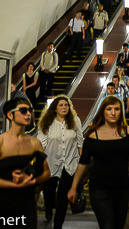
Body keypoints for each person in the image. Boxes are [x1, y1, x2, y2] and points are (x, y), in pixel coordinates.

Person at [68, 96, 129, 229]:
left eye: (117, 109)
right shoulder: (92, 136)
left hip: (121, 188)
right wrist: (73, 187)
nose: (113, 113)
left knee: (118, 225)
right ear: (103, 112)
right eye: (109, 109)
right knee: (107, 225)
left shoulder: (128, 132)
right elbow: (83, 163)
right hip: (100, 188)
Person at [0, 98, 50, 228]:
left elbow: (46, 173)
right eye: (23, 111)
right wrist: (16, 185)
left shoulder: (34, 143)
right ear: (10, 114)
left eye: (30, 110)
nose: (28, 114)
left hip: (26, 205)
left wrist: (32, 181)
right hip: (1, 205)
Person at [37, 96, 83, 228]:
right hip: (51, 162)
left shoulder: (75, 120)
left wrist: (81, 159)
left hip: (70, 163)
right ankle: (48, 207)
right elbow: (41, 144)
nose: (64, 107)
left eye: (66, 105)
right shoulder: (47, 122)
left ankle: (57, 226)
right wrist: (41, 163)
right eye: (61, 105)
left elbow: (80, 141)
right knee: (49, 192)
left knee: (63, 198)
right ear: (55, 108)